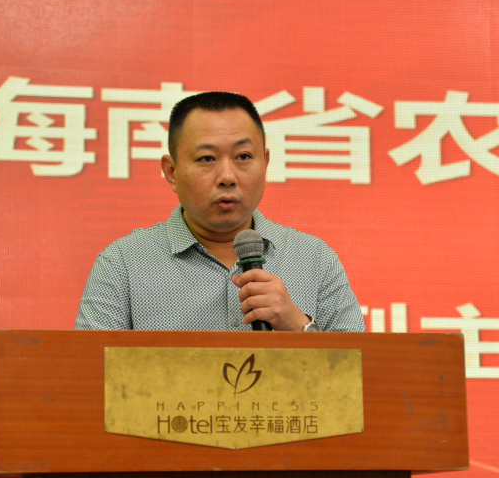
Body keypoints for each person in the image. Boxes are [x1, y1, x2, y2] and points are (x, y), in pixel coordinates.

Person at [76, 91, 364, 333]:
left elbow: (360, 372)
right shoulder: (122, 264)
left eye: (243, 157)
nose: (227, 176)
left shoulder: (315, 259)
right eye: (207, 158)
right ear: (172, 172)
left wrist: (299, 327)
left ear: (265, 163)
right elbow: (91, 373)